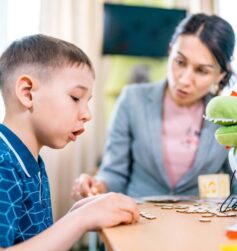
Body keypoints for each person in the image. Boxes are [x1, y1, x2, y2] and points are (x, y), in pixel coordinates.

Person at [72, 13, 237, 200]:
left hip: (200, 223)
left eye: (202, 71)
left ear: (220, 75)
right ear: (170, 51)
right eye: (180, 62)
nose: (184, 79)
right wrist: (98, 185)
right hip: (138, 218)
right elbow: (114, 172)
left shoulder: (229, 118)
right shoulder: (133, 100)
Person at [0, 34, 139, 250]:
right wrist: (80, 219)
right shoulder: (3, 164)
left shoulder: (30, 161)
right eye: (75, 97)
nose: (87, 114)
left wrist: (75, 216)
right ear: (27, 93)